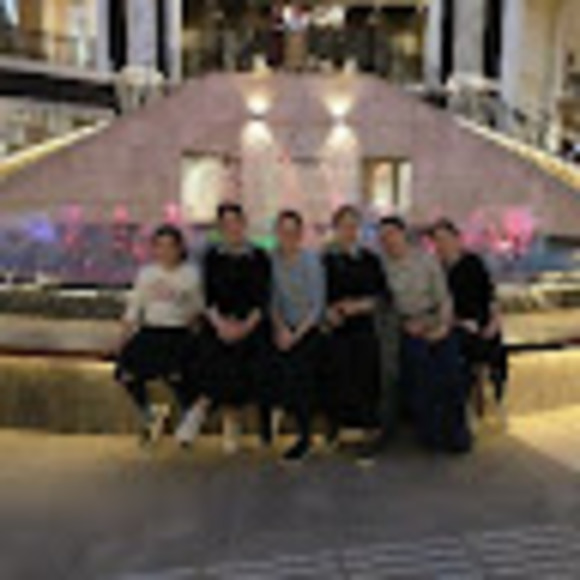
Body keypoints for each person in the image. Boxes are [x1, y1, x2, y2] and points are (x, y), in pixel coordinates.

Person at [379, 216, 472, 454]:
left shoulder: (426, 261)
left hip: (435, 320)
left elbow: (444, 297)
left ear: (403, 234)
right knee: (420, 366)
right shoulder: (382, 267)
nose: (389, 240)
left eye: (392, 234)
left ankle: (457, 432)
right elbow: (386, 305)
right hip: (408, 325)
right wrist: (406, 325)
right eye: (383, 237)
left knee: (451, 365)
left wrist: (443, 326)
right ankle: (431, 433)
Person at [115, 225, 204, 447]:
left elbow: (198, 307)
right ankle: (149, 412)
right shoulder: (147, 274)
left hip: (178, 331)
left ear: (180, 248)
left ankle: (189, 416)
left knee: (177, 373)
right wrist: (124, 334)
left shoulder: (191, 275)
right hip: (151, 330)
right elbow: (135, 306)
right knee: (125, 373)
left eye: (170, 246)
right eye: (160, 246)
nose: (165, 251)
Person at [198, 203, 272, 454]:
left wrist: (245, 326)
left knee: (257, 355)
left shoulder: (259, 256)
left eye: (236, 222)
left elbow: (263, 298)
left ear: (244, 223)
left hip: (252, 322)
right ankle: (229, 420)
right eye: (226, 223)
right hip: (220, 322)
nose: (232, 228)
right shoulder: (212, 257)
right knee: (215, 354)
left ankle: (262, 424)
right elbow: (207, 296)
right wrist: (221, 324)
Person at [321, 205, 391, 457]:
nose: (349, 231)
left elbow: (382, 296)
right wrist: (330, 311)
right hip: (336, 326)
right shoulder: (325, 260)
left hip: (363, 324)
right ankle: (339, 428)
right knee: (337, 364)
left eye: (354, 226)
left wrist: (360, 305)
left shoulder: (370, 260)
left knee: (366, 366)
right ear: (336, 229)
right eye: (344, 226)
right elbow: (318, 294)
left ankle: (367, 431)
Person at [430, 219, 508, 422]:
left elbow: (490, 296)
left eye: (445, 239)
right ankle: (462, 410)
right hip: (457, 325)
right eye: (437, 240)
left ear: (457, 239)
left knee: (494, 347)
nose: (442, 244)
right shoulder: (435, 270)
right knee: (459, 351)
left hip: (481, 323)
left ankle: (494, 398)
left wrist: (494, 322)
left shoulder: (473, 263)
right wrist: (458, 322)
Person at [270, 210, 325, 461]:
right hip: (281, 327)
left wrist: (296, 334)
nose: (288, 236)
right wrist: (281, 328)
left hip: (308, 328)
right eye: (284, 231)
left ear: (300, 234)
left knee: (301, 367)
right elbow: (271, 301)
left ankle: (305, 435)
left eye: (293, 231)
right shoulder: (272, 262)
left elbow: (316, 305)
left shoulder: (311, 262)